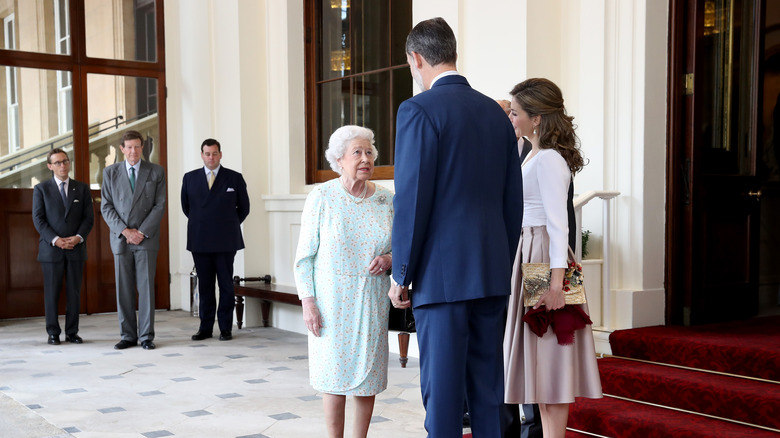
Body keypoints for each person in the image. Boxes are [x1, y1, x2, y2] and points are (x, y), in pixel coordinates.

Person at [388, 17, 524, 437]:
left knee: (443, 395)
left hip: (441, 278)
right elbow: (512, 202)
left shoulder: (417, 110)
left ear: (416, 59)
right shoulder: (495, 113)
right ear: (453, 53)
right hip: (490, 272)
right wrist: (498, 261)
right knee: (487, 389)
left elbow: (412, 201)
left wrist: (401, 274)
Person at [503, 78, 603, 438]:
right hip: (533, 252)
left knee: (551, 361)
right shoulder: (533, 153)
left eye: (515, 113)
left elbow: (559, 226)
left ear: (537, 119)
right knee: (542, 365)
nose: (511, 119)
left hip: (544, 257)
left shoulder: (548, 160)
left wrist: (557, 283)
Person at [294, 125, 394, 438]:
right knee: (332, 376)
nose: (365, 159)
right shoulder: (322, 196)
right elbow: (304, 257)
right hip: (330, 300)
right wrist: (308, 302)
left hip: (371, 300)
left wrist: (390, 260)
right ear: (339, 160)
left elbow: (403, 246)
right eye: (357, 153)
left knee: (369, 376)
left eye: (369, 153)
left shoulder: (387, 200)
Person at [101, 130, 166, 350]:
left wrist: (141, 232)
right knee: (124, 289)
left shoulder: (156, 171)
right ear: (122, 149)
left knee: (146, 288)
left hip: (146, 239)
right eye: (129, 147)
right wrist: (126, 231)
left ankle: (146, 336)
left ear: (142, 148)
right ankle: (128, 335)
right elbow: (106, 206)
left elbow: (159, 205)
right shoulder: (110, 172)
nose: (133, 151)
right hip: (121, 239)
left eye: (137, 146)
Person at [182, 138, 250, 342]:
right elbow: (187, 208)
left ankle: (225, 328)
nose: (211, 157)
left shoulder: (234, 178)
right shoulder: (190, 178)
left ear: (220, 154)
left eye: (214, 153)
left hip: (226, 241)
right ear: (202, 155)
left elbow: (244, 208)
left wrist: (227, 225)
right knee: (205, 286)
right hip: (200, 239)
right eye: (207, 153)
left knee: (226, 285)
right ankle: (205, 328)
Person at [32, 148, 94, 345]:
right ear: (50, 166)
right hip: (51, 250)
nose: (62, 166)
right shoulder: (41, 189)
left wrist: (78, 237)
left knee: (74, 293)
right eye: (57, 162)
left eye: (65, 161)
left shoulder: (82, 188)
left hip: (76, 248)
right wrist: (55, 239)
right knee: (52, 293)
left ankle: (72, 332)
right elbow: (38, 219)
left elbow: (88, 219)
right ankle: (52, 333)